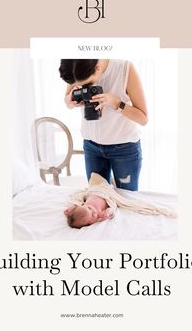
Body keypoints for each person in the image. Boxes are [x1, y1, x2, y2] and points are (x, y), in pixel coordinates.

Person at [59, 59, 148, 191]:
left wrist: (116, 103)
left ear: (97, 68)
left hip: (124, 149)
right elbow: (67, 100)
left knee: (127, 200)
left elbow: (143, 118)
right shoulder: (75, 67)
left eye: (88, 84)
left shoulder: (124, 68)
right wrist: (70, 100)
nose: (85, 87)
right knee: (97, 198)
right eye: (79, 86)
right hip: (91, 147)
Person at [64, 173, 177, 229]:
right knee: (127, 199)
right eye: (92, 216)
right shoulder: (99, 214)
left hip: (98, 188)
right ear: (89, 224)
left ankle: (111, 180)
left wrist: (73, 206)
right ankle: (112, 182)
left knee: (111, 181)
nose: (94, 211)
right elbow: (111, 204)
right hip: (107, 194)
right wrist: (108, 212)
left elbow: (79, 196)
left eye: (89, 208)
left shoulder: (82, 204)